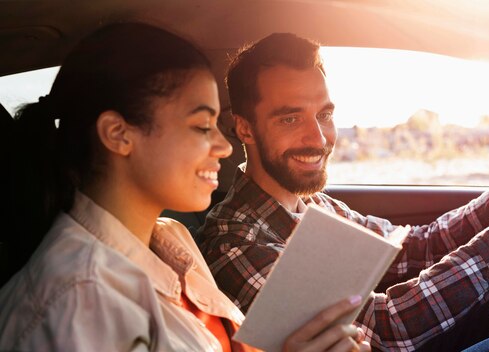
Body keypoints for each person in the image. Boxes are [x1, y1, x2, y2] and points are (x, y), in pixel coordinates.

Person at [196, 32, 489, 350]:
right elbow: (386, 329)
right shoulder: (237, 243)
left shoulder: (313, 204)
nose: (317, 138)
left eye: (325, 115)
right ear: (244, 128)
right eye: (290, 117)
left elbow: (415, 248)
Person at [0, 23, 372, 351]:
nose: (225, 146)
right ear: (118, 134)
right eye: (200, 126)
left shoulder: (171, 238)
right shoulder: (80, 303)